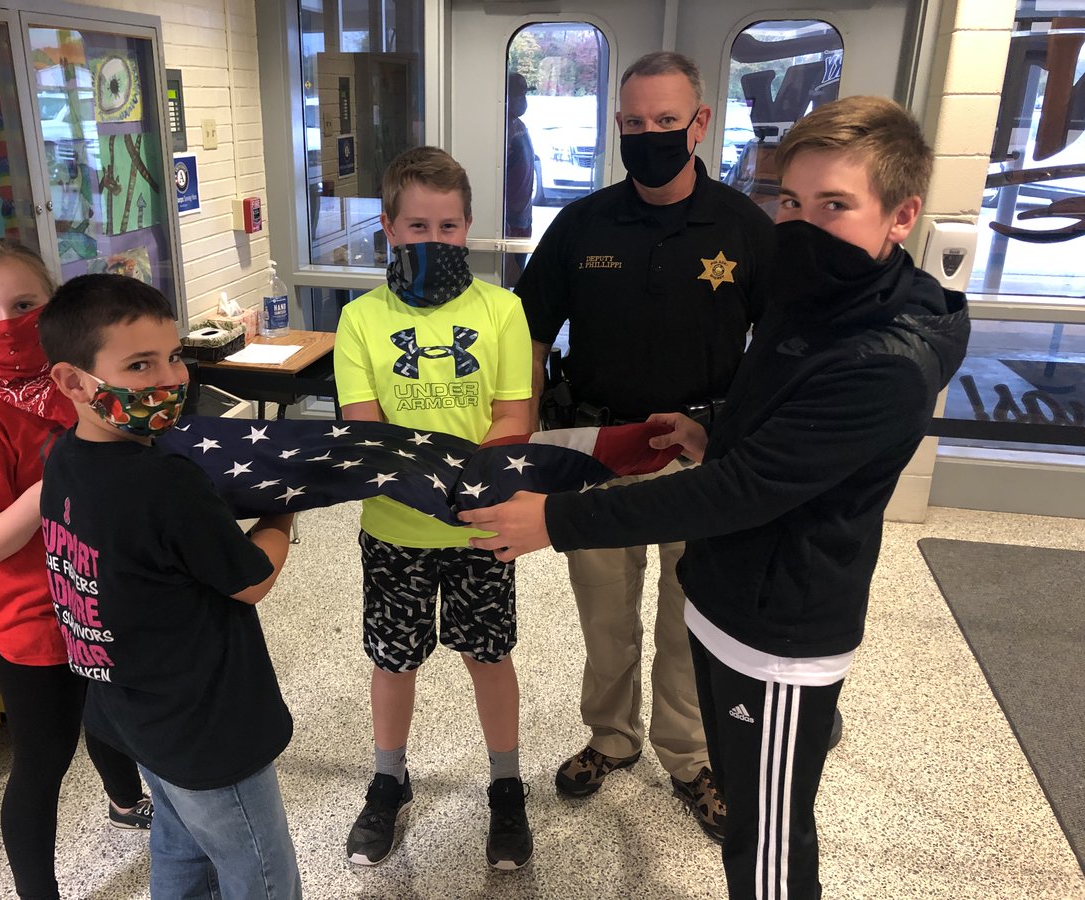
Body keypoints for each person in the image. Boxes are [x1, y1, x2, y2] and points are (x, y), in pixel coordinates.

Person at [460, 96, 970, 899]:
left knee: (766, 853)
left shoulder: (883, 358)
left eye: (835, 205)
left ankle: (685, 754)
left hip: (776, 631)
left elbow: (740, 491)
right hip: (726, 586)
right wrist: (711, 426)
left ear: (901, 216)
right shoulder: (828, 306)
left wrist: (553, 520)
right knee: (618, 624)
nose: (802, 225)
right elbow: (774, 412)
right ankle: (616, 736)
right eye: (793, 202)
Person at [513, 50, 774, 840]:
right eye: (635, 123)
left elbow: (779, 348)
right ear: (618, 125)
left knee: (687, 617)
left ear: (699, 123)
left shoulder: (744, 227)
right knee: (605, 613)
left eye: (667, 121)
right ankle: (611, 738)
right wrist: (524, 442)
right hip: (602, 450)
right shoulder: (582, 224)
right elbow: (525, 332)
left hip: (703, 455)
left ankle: (689, 758)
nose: (650, 135)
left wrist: (741, 436)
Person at [37, 274, 301, 900]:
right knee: (260, 873)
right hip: (203, 728)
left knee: (182, 848)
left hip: (131, 712)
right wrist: (284, 508)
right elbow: (252, 580)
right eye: (139, 364)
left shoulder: (64, 458)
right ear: (74, 382)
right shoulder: (165, 481)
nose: (171, 378)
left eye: (175, 355)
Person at [333, 146, 534, 870]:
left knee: (490, 654)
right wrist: (427, 481)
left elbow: (514, 415)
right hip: (395, 526)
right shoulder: (359, 320)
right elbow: (364, 425)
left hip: (482, 525)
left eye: (449, 227)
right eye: (418, 226)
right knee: (394, 660)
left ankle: (506, 786)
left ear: (470, 227)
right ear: (389, 227)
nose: (435, 241)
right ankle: (389, 778)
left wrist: (462, 488)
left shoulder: (503, 309)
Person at [0, 240, 151, 900]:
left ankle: (124, 802)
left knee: (110, 713)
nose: (6, 322)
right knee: (43, 758)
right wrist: (47, 486)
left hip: (96, 593)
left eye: (23, 304)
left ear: (52, 304)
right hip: (31, 620)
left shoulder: (73, 382)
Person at [503, 71, 536, 286]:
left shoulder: (517, 125)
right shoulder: (502, 128)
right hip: (509, 221)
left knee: (517, 277)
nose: (523, 100)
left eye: (525, 95)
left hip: (522, 217)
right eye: (519, 95)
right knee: (508, 279)